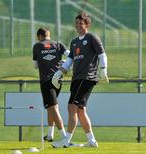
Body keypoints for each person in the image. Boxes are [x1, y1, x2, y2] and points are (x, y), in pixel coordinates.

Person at [51, 12, 108, 148]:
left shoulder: (92, 37)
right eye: (76, 24)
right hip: (77, 78)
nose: (78, 26)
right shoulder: (74, 42)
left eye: (81, 23)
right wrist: (58, 73)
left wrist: (103, 69)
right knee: (81, 110)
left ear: (87, 24)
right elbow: (70, 60)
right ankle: (91, 141)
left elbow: (102, 54)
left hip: (87, 77)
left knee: (72, 107)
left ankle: (66, 140)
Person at [33, 27, 70, 142]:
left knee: (53, 108)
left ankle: (65, 137)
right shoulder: (58, 44)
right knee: (51, 107)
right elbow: (70, 56)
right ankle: (50, 135)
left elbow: (35, 65)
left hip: (46, 81)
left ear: (39, 36)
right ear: (49, 34)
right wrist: (64, 63)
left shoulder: (37, 46)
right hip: (58, 80)